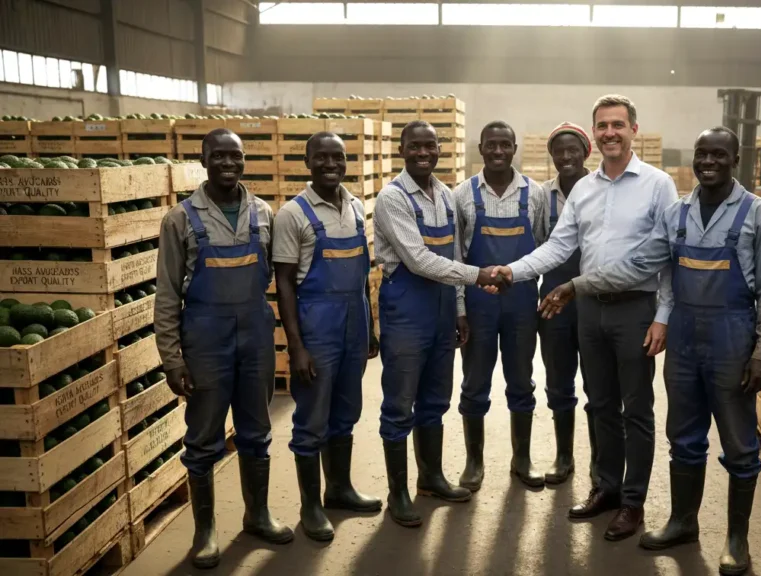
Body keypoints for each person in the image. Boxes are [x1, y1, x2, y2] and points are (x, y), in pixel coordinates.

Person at [545, 127, 761, 573]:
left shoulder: (758, 214)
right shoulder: (677, 214)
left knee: (738, 444)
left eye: (719, 154)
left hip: (733, 338)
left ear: (736, 159)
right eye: (702, 153)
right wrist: (578, 284)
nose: (708, 161)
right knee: (684, 437)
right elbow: (638, 265)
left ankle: (737, 539)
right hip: (686, 340)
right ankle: (682, 522)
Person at [491, 95, 676, 541]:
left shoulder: (658, 185)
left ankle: (633, 503)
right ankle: (606, 489)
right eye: (602, 126)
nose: (610, 132)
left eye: (617, 124)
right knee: (601, 406)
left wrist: (663, 315)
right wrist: (512, 272)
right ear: (596, 134)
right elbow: (559, 246)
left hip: (635, 309)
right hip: (591, 313)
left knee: (637, 410)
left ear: (633, 128)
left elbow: (668, 256)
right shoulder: (586, 190)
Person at [155, 128, 293, 568]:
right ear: (203, 158)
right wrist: (172, 359)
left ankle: (257, 514)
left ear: (245, 159)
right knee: (203, 439)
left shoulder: (263, 214)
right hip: (205, 343)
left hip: (255, 339)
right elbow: (166, 296)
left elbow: (277, 278)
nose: (228, 164)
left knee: (256, 431)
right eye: (219, 156)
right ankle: (206, 530)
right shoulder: (180, 219)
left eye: (236, 156)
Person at [373, 120, 508, 528]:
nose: (423, 153)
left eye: (430, 146)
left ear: (439, 150)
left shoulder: (447, 197)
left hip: (441, 308)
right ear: (402, 149)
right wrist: (478, 276)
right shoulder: (392, 199)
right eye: (415, 146)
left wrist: (460, 309)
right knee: (399, 404)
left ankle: (431, 477)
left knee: (435, 399)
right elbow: (419, 260)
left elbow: (451, 253)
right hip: (406, 310)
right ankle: (398, 492)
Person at [272, 132, 382, 542]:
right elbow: (283, 283)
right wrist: (295, 346)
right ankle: (311, 505)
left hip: (353, 325)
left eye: (338, 156)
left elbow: (362, 277)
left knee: (345, 411)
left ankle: (339, 489)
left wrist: (369, 328)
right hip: (316, 326)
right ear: (307, 162)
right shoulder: (292, 215)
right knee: (312, 418)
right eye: (322, 157)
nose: (331, 164)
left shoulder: (355, 206)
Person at [453, 121, 548, 490]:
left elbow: (541, 249)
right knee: (474, 382)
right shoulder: (462, 195)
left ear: (514, 148)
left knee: (522, 380)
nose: (497, 152)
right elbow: (457, 257)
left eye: (505, 145)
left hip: (522, 302)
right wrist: (460, 307)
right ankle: (474, 462)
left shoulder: (535, 194)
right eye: (491, 145)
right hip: (478, 304)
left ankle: (521, 458)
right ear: (480, 149)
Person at [537, 122, 596, 486]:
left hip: (593, 298)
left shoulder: (600, 189)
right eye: (559, 150)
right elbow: (538, 247)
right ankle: (564, 455)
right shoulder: (543, 196)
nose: (566, 156)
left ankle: (599, 459)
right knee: (558, 381)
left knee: (598, 384)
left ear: (586, 152)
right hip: (554, 300)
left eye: (573, 149)